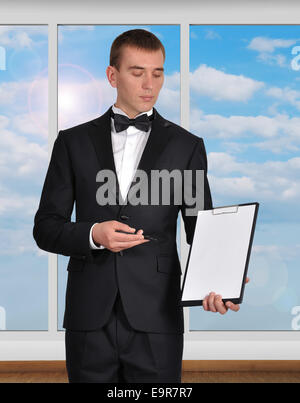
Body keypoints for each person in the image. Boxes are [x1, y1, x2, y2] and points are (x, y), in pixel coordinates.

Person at [33, 28, 248, 383]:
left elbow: (202, 229)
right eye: (137, 72)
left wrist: (222, 280)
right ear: (112, 75)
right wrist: (93, 234)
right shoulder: (72, 142)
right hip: (89, 313)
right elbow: (46, 227)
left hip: (157, 314)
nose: (150, 84)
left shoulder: (187, 146)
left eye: (158, 73)